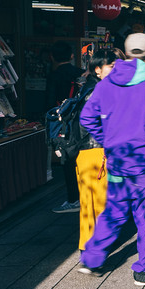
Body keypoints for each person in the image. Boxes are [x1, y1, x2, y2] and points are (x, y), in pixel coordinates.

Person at [78, 33, 145, 285]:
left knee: (112, 213)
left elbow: (86, 118)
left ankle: (92, 259)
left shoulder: (105, 84)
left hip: (117, 161)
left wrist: (108, 139)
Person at [73, 48, 118, 250]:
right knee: (98, 204)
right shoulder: (97, 91)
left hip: (89, 151)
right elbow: (88, 123)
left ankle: (88, 248)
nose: (116, 70)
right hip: (96, 152)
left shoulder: (90, 87)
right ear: (98, 69)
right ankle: (94, 253)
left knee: (89, 204)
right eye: (112, 66)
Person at [47, 40, 83, 213]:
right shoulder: (80, 74)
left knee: (67, 161)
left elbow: (49, 103)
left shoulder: (54, 76)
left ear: (52, 57)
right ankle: (84, 193)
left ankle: (73, 198)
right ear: (71, 56)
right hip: (81, 123)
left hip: (63, 124)